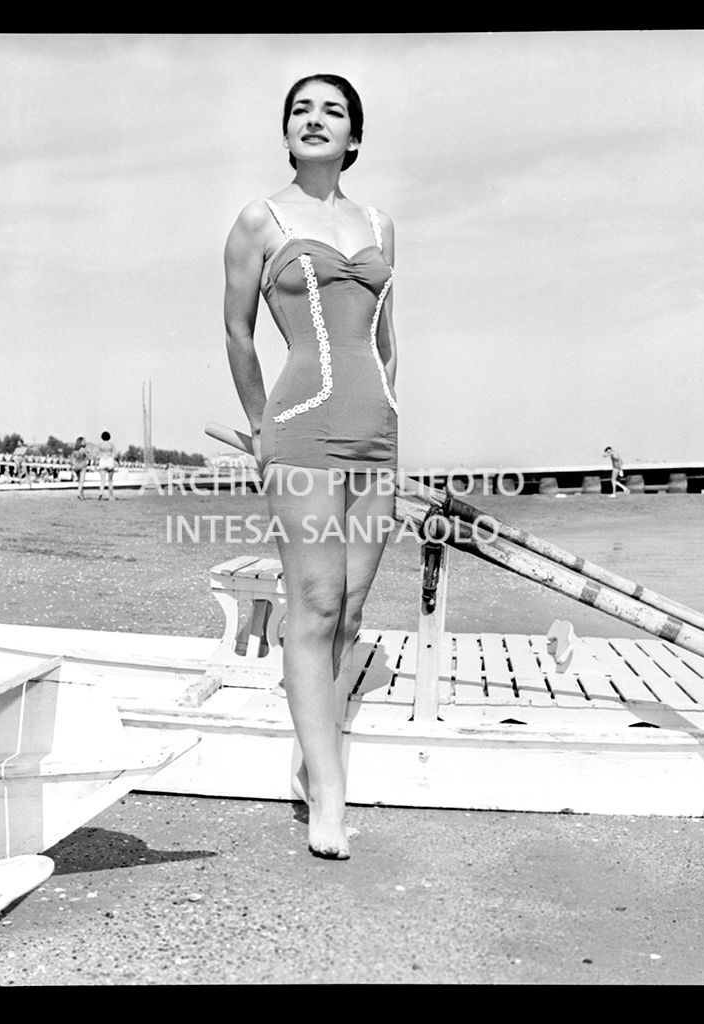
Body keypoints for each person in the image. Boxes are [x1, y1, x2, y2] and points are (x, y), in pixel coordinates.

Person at [223, 74, 398, 860]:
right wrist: (262, 428)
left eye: (333, 111)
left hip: (376, 433)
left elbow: (386, 340)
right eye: (301, 110)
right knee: (316, 603)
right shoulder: (260, 220)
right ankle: (329, 795)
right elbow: (237, 332)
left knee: (352, 611)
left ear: (354, 136)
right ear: (287, 132)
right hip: (300, 429)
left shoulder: (379, 223)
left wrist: (390, 409)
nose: (315, 119)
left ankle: (312, 751)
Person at [96, 431, 118, 500]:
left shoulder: (100, 445)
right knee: (110, 480)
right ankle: (110, 496)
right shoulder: (111, 445)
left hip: (102, 461)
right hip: (109, 460)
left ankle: (101, 493)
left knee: (102, 480)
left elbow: (97, 454)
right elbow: (114, 455)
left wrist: (97, 462)